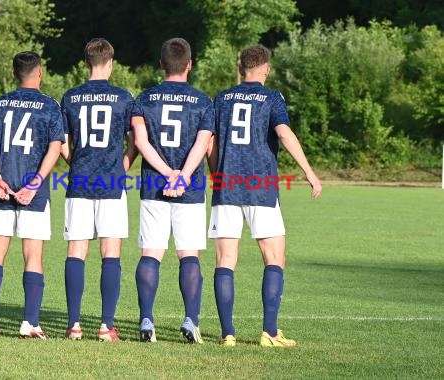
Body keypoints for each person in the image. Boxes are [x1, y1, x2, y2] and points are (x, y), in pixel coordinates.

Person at [207, 44, 322, 347]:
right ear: (266, 69)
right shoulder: (272, 98)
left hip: (226, 185)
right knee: (274, 257)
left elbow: (211, 144)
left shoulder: (221, 98)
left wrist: (215, 173)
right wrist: (308, 171)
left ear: (240, 67)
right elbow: (283, 133)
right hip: (261, 186)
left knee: (225, 260)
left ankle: (227, 334)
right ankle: (269, 332)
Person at [132, 37, 214, 343]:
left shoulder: (145, 98)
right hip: (189, 189)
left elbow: (141, 142)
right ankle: (191, 320)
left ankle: (146, 319)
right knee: (188, 254)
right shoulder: (204, 101)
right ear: (189, 65)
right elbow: (203, 143)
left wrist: (167, 173)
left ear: (161, 64)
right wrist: (182, 177)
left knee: (151, 252)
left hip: (154, 184)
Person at [0, 51, 65, 339]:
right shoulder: (50, 105)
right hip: (34, 193)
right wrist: (36, 182)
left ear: (15, 74)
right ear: (39, 72)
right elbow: (56, 147)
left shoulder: (1, 103)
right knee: (33, 256)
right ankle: (29, 323)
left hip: (0, 190)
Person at [60, 38, 137, 342]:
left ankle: (74, 326)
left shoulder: (71, 97)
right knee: (111, 252)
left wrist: (76, 161)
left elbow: (63, 144)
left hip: (79, 179)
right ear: (111, 62)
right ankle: (106, 326)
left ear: (86, 62)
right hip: (112, 181)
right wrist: (123, 166)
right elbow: (134, 142)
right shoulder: (123, 97)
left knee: (76, 251)